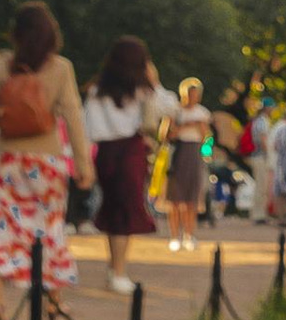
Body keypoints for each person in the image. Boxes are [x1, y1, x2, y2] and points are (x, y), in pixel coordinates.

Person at [0, 0, 94, 320]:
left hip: (6, 161)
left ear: (16, 34)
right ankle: (54, 301)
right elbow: (74, 119)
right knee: (48, 231)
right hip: (47, 162)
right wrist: (84, 165)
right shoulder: (61, 68)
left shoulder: (1, 65)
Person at [80, 36, 164, 302]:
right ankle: (118, 272)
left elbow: (88, 127)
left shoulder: (96, 91)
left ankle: (114, 269)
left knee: (114, 209)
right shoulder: (142, 90)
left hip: (105, 153)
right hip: (130, 151)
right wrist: (155, 81)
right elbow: (166, 110)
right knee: (125, 213)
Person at [163, 76, 213, 249]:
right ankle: (174, 235)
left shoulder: (203, 113)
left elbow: (207, 137)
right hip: (178, 153)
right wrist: (185, 125)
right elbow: (165, 136)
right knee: (175, 198)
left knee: (192, 197)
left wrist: (202, 133)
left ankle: (189, 234)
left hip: (194, 153)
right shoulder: (175, 112)